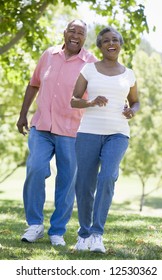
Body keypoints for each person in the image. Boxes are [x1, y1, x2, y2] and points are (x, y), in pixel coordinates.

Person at [16, 19, 97, 246]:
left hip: (72, 131)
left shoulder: (91, 63)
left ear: (85, 38)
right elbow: (34, 84)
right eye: (72, 30)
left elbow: (98, 95)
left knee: (67, 181)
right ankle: (34, 224)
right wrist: (23, 115)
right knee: (35, 168)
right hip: (41, 126)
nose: (75, 35)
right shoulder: (49, 55)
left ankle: (57, 231)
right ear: (64, 33)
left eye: (81, 32)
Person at [71, 26, 140, 253]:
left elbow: (136, 101)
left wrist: (133, 111)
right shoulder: (88, 69)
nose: (112, 43)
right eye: (106, 41)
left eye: (115, 40)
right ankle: (83, 235)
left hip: (118, 133)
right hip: (89, 131)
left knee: (108, 176)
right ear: (100, 46)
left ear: (120, 45)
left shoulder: (128, 74)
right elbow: (73, 100)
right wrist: (90, 102)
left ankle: (97, 234)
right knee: (84, 184)